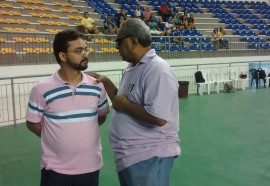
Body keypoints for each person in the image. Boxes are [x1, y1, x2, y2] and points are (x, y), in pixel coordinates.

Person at [91, 18, 181, 186]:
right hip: (133, 156)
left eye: (118, 41)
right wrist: (107, 83)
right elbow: (122, 101)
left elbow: (158, 117)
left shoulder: (157, 69)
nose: (116, 47)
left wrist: (124, 105)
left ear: (133, 41)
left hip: (150, 155)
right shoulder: (133, 68)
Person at [25, 29, 110, 186]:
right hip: (55, 170)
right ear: (62, 56)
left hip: (90, 167)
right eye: (78, 51)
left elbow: (102, 115)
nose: (85, 54)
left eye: (85, 49)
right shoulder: (42, 88)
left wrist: (80, 129)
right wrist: (56, 138)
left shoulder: (97, 85)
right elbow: (33, 123)